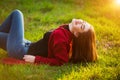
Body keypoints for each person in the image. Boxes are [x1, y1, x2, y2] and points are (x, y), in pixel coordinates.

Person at [0, 10, 98, 66]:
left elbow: (60, 61)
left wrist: (36, 59)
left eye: (82, 27)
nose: (81, 22)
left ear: (77, 34)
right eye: (83, 22)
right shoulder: (66, 31)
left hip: (20, 50)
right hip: (26, 44)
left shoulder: (62, 37)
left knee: (17, 13)